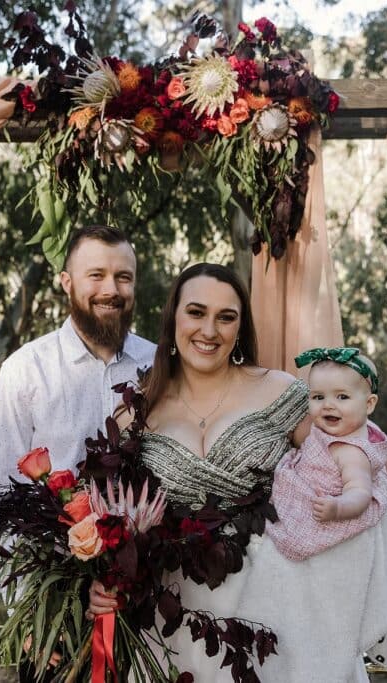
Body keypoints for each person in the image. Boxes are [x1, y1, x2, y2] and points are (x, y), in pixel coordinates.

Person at [88, 262, 312, 680]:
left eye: (226, 317)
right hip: (172, 624)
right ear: (173, 316)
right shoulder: (135, 411)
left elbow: (342, 466)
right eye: (196, 312)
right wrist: (100, 580)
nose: (209, 330)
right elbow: (109, 520)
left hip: (274, 621)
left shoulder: (284, 392)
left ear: (240, 328)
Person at [0, 225, 156, 682]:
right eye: (95, 274)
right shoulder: (25, 370)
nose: (111, 290)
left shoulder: (160, 368)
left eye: (123, 277)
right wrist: (33, 614)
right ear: (67, 281)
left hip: (147, 613)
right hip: (54, 617)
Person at [265, 347, 387, 674]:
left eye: (342, 397)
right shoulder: (365, 431)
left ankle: (373, 634)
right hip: (321, 489)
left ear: (369, 403)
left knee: (295, 561)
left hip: (326, 510)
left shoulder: (351, 452)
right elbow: (385, 458)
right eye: (318, 396)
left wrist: (337, 508)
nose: (328, 405)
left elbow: (361, 494)